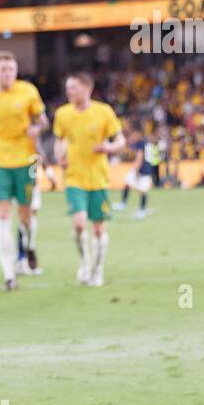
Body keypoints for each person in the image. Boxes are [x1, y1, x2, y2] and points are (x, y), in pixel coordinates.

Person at [0, 53, 47, 291]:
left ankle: (29, 246)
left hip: (26, 159)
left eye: (11, 69)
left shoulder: (28, 91)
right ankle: (8, 273)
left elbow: (43, 120)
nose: (8, 73)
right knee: (2, 214)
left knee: (26, 216)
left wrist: (36, 128)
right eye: (3, 69)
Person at [53, 72, 125, 287]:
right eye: (68, 88)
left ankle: (97, 270)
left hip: (98, 178)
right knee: (79, 224)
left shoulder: (103, 112)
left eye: (73, 87)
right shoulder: (63, 114)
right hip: (74, 177)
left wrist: (109, 147)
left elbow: (120, 140)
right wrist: (59, 156)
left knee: (98, 229)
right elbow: (60, 140)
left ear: (87, 89)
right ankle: (85, 261)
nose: (69, 92)